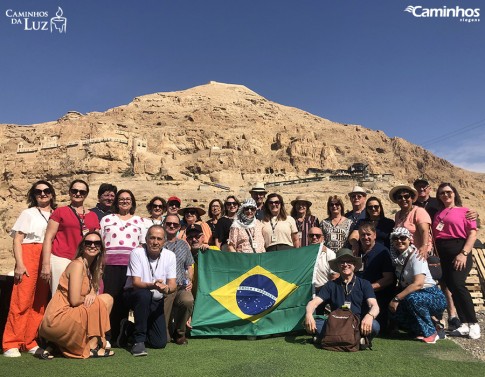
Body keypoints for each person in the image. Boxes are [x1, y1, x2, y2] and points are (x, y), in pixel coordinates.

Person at [39, 231, 114, 359]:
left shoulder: (90, 267)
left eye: (97, 243)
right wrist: (91, 297)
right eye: (88, 243)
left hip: (69, 314)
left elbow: (89, 290)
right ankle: (92, 346)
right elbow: (74, 300)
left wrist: (91, 293)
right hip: (59, 318)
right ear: (82, 246)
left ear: (101, 248)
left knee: (102, 300)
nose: (92, 245)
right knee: (104, 300)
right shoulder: (77, 265)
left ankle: (57, 344)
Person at [2, 180, 56, 358]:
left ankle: (30, 340)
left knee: (39, 302)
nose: (43, 194)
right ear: (33, 195)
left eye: (46, 191)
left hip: (47, 256)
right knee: (21, 300)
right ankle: (10, 342)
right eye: (38, 191)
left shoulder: (56, 214)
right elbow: (17, 239)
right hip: (29, 253)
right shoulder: (28, 213)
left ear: (52, 193)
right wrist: (19, 263)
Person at [433, 183, 480, 339]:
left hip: (459, 250)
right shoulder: (438, 214)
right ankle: (465, 324)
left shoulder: (465, 211)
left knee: (458, 285)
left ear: (454, 193)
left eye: (448, 192)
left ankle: (473, 323)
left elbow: (472, 234)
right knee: (452, 287)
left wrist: (464, 253)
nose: (445, 195)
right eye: (442, 193)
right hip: (442, 253)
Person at [121, 225, 176, 356]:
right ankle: (138, 341)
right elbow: (136, 283)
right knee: (144, 295)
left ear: (164, 241)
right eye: (152, 238)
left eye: (159, 239)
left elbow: (172, 285)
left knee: (159, 343)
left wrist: (166, 289)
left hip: (156, 300)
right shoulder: (137, 253)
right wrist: (154, 286)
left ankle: (130, 328)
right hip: (135, 296)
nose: (155, 242)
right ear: (146, 239)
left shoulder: (170, 256)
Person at [100, 189, 147, 343]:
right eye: (121, 199)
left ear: (132, 202)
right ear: (116, 201)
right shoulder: (107, 219)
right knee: (110, 299)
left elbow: (143, 245)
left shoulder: (140, 221)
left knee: (125, 300)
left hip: (131, 267)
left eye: (128, 199)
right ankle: (107, 335)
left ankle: (122, 335)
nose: (124, 201)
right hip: (110, 266)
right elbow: (100, 243)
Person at [304, 248, 380, 341]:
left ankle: (330, 339)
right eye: (341, 262)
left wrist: (370, 316)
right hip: (337, 323)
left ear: (354, 264)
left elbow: (374, 306)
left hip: (357, 323)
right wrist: (308, 314)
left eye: (349, 261)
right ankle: (357, 340)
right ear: (337, 265)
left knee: (374, 326)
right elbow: (313, 303)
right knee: (314, 323)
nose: (345, 264)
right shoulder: (330, 285)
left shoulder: (365, 284)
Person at [388, 227, 447, 343]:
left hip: (432, 295)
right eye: (395, 238)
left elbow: (418, 284)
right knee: (397, 312)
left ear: (410, 239)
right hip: (416, 295)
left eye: (402, 238)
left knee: (412, 299)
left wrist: (396, 298)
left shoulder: (417, 256)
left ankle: (431, 333)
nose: (399, 241)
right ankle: (431, 327)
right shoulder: (397, 259)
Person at [41, 179, 100, 294]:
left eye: (82, 192)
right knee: (60, 295)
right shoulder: (60, 212)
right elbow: (48, 238)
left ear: (86, 194)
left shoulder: (93, 216)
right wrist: (46, 264)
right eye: (75, 190)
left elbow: (98, 241)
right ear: (69, 192)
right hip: (61, 258)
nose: (78, 194)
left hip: (85, 260)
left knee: (82, 295)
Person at [355, 222, 395, 331]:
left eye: (368, 234)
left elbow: (388, 279)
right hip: (359, 294)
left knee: (376, 327)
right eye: (362, 235)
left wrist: (368, 288)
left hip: (378, 295)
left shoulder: (382, 252)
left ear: (375, 235)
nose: (365, 237)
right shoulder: (357, 252)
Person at [162, 214, 194, 345]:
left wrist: (189, 280)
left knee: (188, 300)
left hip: (180, 286)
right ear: (163, 225)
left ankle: (180, 333)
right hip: (164, 288)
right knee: (164, 339)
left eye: (175, 224)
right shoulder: (158, 243)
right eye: (169, 223)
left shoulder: (183, 245)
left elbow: (189, 265)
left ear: (179, 227)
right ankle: (166, 332)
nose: (171, 226)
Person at [389, 184, 431, 259]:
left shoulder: (419, 211)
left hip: (419, 254)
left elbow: (425, 231)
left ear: (412, 198)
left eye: (406, 196)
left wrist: (424, 247)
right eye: (399, 197)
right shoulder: (398, 215)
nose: (403, 199)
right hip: (404, 256)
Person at [308, 227, 338, 298]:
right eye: (311, 235)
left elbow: (335, 276)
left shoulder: (330, 254)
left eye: (317, 235)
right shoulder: (302, 254)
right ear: (308, 237)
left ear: (322, 238)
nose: (314, 237)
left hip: (324, 291)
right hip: (307, 292)